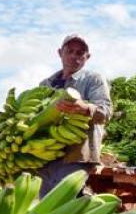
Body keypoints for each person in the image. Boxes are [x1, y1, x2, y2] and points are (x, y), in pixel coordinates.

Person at [39, 34, 112, 195]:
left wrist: (84, 108)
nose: (74, 56)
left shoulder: (94, 80)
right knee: (44, 209)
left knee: (68, 205)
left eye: (80, 53)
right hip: (46, 156)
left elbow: (106, 112)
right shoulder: (45, 85)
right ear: (60, 52)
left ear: (87, 57)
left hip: (76, 156)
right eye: (69, 51)